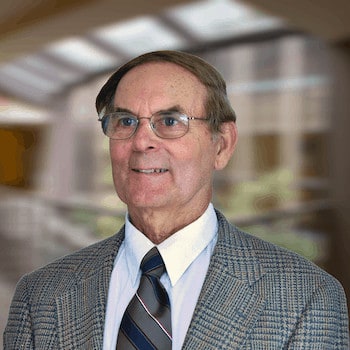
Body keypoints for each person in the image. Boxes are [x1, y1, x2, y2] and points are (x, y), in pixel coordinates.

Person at [4, 50, 349, 349]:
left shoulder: (307, 298)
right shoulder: (40, 296)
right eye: (125, 121)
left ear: (222, 144)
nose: (142, 142)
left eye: (170, 121)